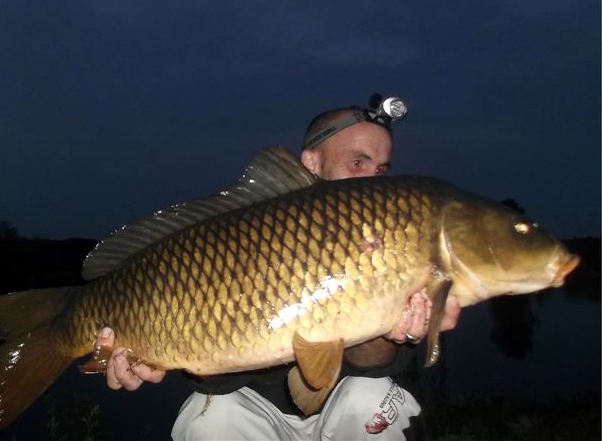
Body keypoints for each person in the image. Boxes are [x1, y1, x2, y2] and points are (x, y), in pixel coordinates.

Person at [94, 98, 461, 440]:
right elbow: (215, 378)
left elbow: (370, 369)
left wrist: (396, 333)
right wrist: (152, 352)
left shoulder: (389, 246)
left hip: (340, 410)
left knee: (372, 400)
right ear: (311, 163)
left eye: (380, 169)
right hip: (252, 408)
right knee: (209, 418)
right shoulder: (256, 230)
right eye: (357, 162)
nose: (371, 179)